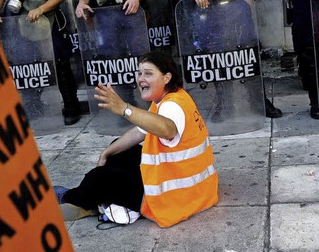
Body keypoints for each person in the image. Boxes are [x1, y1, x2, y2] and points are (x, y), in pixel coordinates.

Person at [54, 51, 218, 227]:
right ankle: (101, 199)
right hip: (197, 191)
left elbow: (167, 129)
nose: (141, 79)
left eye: (148, 73)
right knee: (118, 150)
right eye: (140, 73)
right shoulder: (172, 97)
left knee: (99, 177)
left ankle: (72, 198)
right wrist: (106, 153)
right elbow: (140, 131)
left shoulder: (172, 106)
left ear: (167, 77)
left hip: (172, 199)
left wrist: (125, 109)